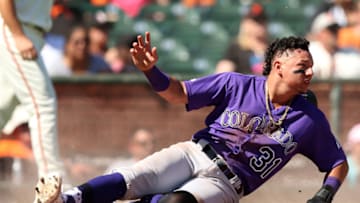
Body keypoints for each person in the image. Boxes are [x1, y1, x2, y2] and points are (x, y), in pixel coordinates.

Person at [33, 32, 348, 203]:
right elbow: (178, 93)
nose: (310, 72)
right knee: (134, 178)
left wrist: (325, 193)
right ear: (278, 65)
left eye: (310, 68)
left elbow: (338, 161)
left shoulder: (308, 118)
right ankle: (67, 200)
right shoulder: (236, 83)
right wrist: (150, 71)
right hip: (195, 152)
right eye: (301, 67)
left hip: (226, 183)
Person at [0, 0, 66, 179]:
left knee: (2, 109)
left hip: (25, 30)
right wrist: (17, 34)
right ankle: (52, 180)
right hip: (15, 29)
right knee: (43, 105)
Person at [215, 3, 268, 75]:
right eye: (255, 21)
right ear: (245, 23)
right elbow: (222, 74)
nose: (259, 25)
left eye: (262, 21)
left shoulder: (272, 47)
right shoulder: (236, 48)